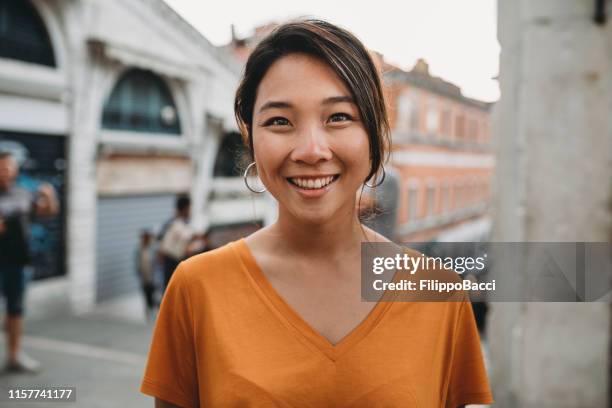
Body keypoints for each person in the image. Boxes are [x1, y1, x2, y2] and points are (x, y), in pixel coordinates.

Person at [141, 19, 493, 407]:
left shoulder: (439, 294)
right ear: (251, 138)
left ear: (374, 135)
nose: (311, 150)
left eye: (338, 117)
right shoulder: (196, 288)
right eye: (279, 121)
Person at [0, 151, 58, 373]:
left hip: (17, 261)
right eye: (1, 167)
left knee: (15, 311)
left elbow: (48, 212)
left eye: (8, 167)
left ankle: (14, 356)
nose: (5, 171)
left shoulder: (23, 194)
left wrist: (50, 196)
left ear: (15, 170)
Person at [157, 195, 192, 290]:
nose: (190, 211)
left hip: (177, 262)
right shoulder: (173, 224)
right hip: (171, 263)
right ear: (185, 208)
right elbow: (163, 248)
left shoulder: (184, 224)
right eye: (189, 208)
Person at [135, 229, 158, 323]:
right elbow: (137, 263)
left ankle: (153, 309)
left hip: (153, 277)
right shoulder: (139, 250)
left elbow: (156, 263)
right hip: (144, 276)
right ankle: (148, 311)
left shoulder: (153, 249)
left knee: (153, 294)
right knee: (146, 294)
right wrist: (139, 273)